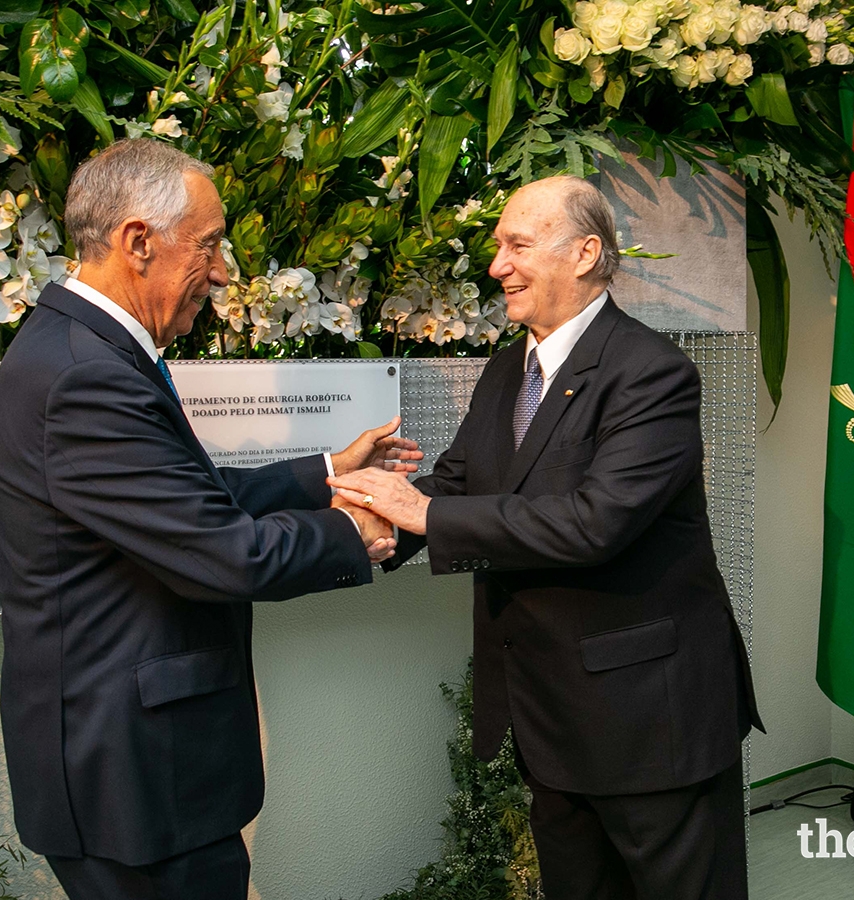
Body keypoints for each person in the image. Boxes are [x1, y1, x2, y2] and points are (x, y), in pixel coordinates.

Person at [0, 139, 420, 900]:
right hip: (136, 778)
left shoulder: (88, 350)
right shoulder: (86, 375)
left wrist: (326, 474)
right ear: (138, 242)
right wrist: (360, 529)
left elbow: (182, 503)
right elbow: (224, 553)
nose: (221, 272)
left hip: (141, 767)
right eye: (210, 245)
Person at [329, 175, 763, 900]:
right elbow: (460, 484)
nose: (497, 265)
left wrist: (420, 515)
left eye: (517, 245)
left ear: (586, 252)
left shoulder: (652, 374)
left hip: (651, 724)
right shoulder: (509, 369)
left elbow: (597, 522)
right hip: (551, 721)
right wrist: (364, 524)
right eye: (498, 246)